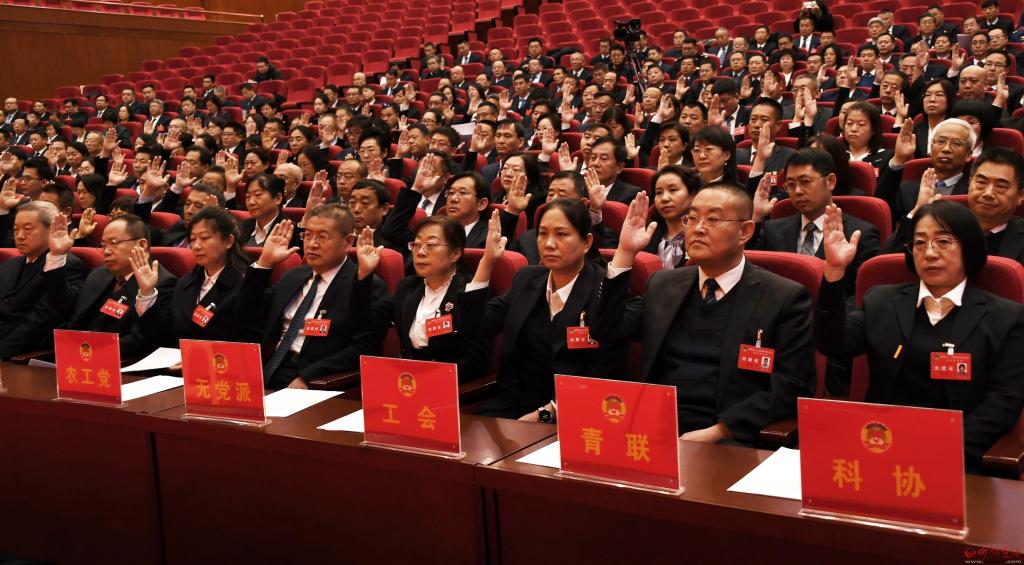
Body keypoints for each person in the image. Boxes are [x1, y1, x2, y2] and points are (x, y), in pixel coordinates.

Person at [594, 187, 816, 442]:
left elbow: (792, 385)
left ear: (745, 231)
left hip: (731, 438)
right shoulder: (664, 285)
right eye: (692, 218)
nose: (698, 228)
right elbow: (607, 330)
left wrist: (719, 432)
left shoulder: (783, 297)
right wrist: (624, 253)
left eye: (712, 219)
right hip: (654, 429)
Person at [816, 200, 1024, 466]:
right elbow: (833, 343)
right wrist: (834, 271)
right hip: (879, 448)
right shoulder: (881, 301)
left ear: (969, 248)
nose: (930, 253)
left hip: (957, 456)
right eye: (920, 243)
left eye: (943, 242)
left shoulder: (1006, 317)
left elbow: (1003, 402)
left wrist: (941, 448)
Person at [462, 200, 627, 420]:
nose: (548, 243)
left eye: (561, 234)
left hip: (573, 413)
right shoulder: (527, 279)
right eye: (542, 234)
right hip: (511, 406)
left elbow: (605, 369)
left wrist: (547, 413)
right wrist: (487, 261)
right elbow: (476, 325)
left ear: (586, 243)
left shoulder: (604, 289)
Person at [236, 210, 387, 390]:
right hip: (268, 366)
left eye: (322, 237)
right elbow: (246, 316)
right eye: (307, 235)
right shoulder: (292, 277)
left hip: (314, 376)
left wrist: (307, 378)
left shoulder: (364, 285)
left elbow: (364, 347)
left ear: (347, 242)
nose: (312, 244)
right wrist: (264, 263)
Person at [354, 217, 490, 382]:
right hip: (407, 380)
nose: (421, 252)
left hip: (449, 384)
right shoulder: (407, 287)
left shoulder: (470, 293)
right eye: (416, 245)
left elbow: (475, 359)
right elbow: (368, 323)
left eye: (431, 245)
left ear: (455, 253)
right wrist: (364, 274)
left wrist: (429, 380)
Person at [43, 214, 177, 361]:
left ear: (142, 245)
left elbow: (144, 340)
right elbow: (63, 309)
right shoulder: (99, 274)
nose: (106, 251)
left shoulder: (161, 283)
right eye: (103, 245)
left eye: (113, 243)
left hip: (117, 363)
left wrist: (89, 353)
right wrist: (57, 255)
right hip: (74, 357)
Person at [750, 149, 880, 293]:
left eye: (805, 182)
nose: (798, 191)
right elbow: (748, 273)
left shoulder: (860, 234)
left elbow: (863, 296)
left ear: (830, 182)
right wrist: (756, 217)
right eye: (791, 184)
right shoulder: (772, 230)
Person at [134, 207, 250, 344]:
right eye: (193, 239)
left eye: (205, 238)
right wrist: (147, 292)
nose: (196, 246)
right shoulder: (185, 282)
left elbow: (250, 341)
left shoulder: (246, 283)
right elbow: (163, 335)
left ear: (228, 241)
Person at [0, 201, 85, 360]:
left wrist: (2, 352)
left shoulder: (65, 265)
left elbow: (44, 318)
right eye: (16, 229)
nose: (20, 236)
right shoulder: (10, 264)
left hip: (21, 353)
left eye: (28, 229)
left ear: (51, 229)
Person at [644, 165, 700, 269]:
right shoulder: (648, 235)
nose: (664, 198)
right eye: (659, 192)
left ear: (692, 195)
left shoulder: (702, 235)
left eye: (673, 190)